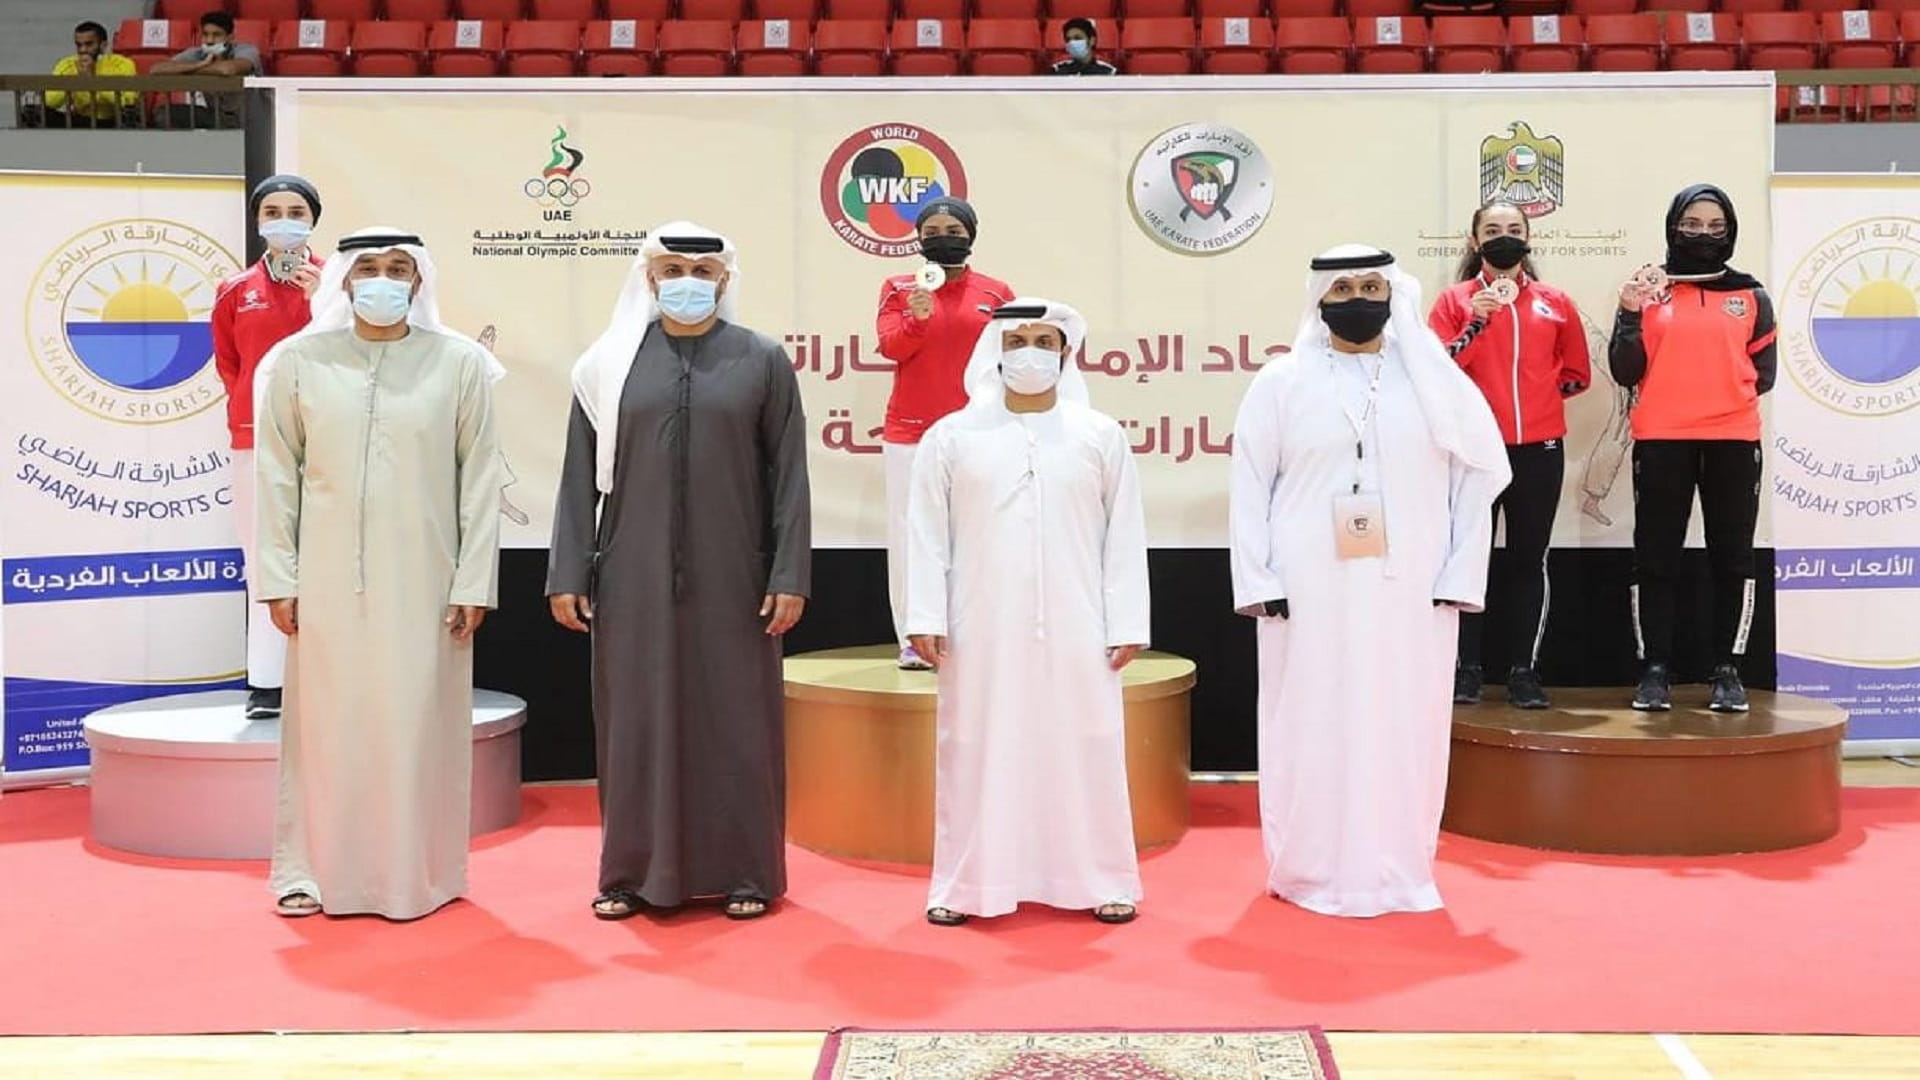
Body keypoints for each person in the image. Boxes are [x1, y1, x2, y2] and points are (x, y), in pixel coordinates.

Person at [1229, 245, 1509, 918]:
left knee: (1403, 716)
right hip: (1306, 585)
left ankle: (1399, 870)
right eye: (1344, 286)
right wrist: (1258, 576)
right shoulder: (1281, 380)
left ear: (1394, 294)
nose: (1358, 296)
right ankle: (1308, 869)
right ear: (1320, 299)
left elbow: (1483, 475)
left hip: (1412, 580)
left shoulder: (1431, 378)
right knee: (1310, 715)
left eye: (1372, 284)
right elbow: (1248, 481)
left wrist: (1462, 570)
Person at [549, 223, 811, 922]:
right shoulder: (605, 366)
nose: (688, 279)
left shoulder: (761, 360)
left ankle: (746, 872)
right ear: (649, 276)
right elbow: (579, 476)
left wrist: (789, 573)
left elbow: (789, 478)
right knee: (635, 717)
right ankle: (630, 874)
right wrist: (568, 569)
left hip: (737, 572)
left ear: (724, 280)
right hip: (629, 569)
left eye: (703, 267)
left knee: (738, 719)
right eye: (673, 267)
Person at [254, 227, 504, 920]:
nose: (385, 280)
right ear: (344, 280)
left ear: (419, 283)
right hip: (324, 580)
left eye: (399, 268)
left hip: (428, 581)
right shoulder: (299, 361)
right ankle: (311, 870)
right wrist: (279, 577)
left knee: (415, 724)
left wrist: (473, 582)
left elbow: (480, 479)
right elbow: (277, 474)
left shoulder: (459, 364)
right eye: (369, 268)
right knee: (326, 727)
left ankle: (417, 874)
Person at [906, 299, 1149, 928]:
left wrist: (1127, 623)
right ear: (995, 350)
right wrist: (925, 615)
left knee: (1087, 744)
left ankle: (1101, 879)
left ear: (1067, 353)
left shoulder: (1100, 435)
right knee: (977, 745)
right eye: (1017, 340)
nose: (1031, 353)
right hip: (978, 625)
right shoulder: (951, 437)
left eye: (1046, 340)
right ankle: (966, 885)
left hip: (1081, 624)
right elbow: (927, 535)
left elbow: (1123, 535)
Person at [1610, 184, 1776, 714]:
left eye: (1714, 226)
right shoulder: (1648, 290)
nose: (1703, 234)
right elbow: (1623, 369)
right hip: (1661, 439)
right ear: (1672, 226)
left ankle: (1727, 670)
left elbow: (1764, 374)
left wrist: (1718, 396)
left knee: (1733, 559)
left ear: (1729, 230)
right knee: (1656, 558)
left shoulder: (1751, 295)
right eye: (1692, 224)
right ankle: (1654, 668)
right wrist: (1630, 313)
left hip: (1733, 440)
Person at [1429, 201, 1591, 709]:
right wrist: (1474, 325)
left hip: (1538, 452)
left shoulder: (1555, 301)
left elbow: (1575, 373)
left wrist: (1533, 409)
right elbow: (1438, 373)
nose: (1504, 237)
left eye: (1514, 230)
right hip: (1473, 453)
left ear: (1528, 239)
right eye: (1492, 230)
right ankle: (1466, 669)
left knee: (1527, 560)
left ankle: (1523, 669)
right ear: (1475, 241)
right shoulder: (1454, 302)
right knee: (1467, 559)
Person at [876, 198, 1013, 670]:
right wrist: (916, 316)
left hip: (980, 430)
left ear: (970, 234)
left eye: (953, 228)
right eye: (931, 229)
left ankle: (978, 633)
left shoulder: (995, 292)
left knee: (979, 532)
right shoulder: (899, 287)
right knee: (910, 535)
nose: (942, 236)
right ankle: (915, 638)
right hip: (911, 433)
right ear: (917, 238)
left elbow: (1009, 358)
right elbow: (892, 348)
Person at [212, 175, 324, 720]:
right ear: (258, 221)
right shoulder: (235, 289)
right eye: (272, 210)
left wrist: (317, 300)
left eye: (296, 209)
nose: (284, 219)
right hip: (253, 439)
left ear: (313, 219)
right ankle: (268, 681)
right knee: (262, 556)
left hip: (324, 438)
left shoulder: (335, 284)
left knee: (326, 553)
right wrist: (249, 411)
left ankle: (327, 674)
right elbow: (229, 362)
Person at [150, 12, 261, 128]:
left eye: (216, 35)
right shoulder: (197, 54)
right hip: (217, 116)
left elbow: (227, 70)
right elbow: (157, 68)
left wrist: (186, 69)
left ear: (230, 37)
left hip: (250, 120)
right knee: (164, 113)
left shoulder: (246, 50)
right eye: (205, 35)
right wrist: (199, 64)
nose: (209, 41)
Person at [35, 22, 136, 129]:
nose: (83, 50)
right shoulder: (67, 64)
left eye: (89, 44)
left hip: (114, 121)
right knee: (37, 113)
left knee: (130, 115)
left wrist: (93, 80)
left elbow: (128, 102)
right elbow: (49, 102)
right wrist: (74, 79)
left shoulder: (121, 64)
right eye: (79, 45)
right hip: (80, 119)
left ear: (103, 46)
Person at [1052, 18, 1118, 75]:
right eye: (1068, 39)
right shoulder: (1056, 70)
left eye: (1077, 38)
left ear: (1092, 40)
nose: (1072, 43)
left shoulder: (1109, 72)